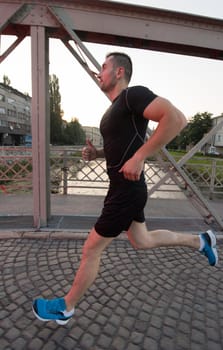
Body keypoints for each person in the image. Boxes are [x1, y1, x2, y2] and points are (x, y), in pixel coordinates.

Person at [32, 52, 218, 325]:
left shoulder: (133, 95)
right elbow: (122, 149)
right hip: (125, 188)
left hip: (126, 192)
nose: (100, 71)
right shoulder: (115, 109)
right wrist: (96, 154)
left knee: (92, 249)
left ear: (119, 72)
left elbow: (177, 119)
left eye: (104, 67)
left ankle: (66, 307)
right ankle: (200, 241)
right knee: (141, 240)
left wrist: (141, 156)